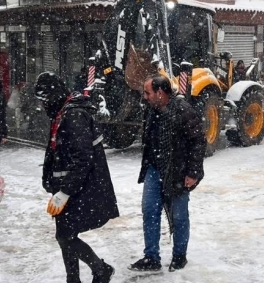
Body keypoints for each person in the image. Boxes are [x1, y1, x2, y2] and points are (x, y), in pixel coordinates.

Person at [36, 72, 118, 283]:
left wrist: (64, 192)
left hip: (79, 188)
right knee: (65, 235)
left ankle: (100, 269)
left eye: (44, 100)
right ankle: (73, 278)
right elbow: (56, 152)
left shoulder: (73, 116)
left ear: (53, 95)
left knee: (64, 236)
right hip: (70, 186)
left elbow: (82, 159)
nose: (42, 105)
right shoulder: (63, 112)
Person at [130, 75, 205, 273]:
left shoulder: (183, 111)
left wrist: (193, 172)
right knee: (150, 211)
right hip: (154, 170)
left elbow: (198, 141)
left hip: (178, 171)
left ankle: (180, 256)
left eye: (148, 93)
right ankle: (151, 257)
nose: (144, 97)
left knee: (179, 216)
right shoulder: (151, 110)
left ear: (160, 93)